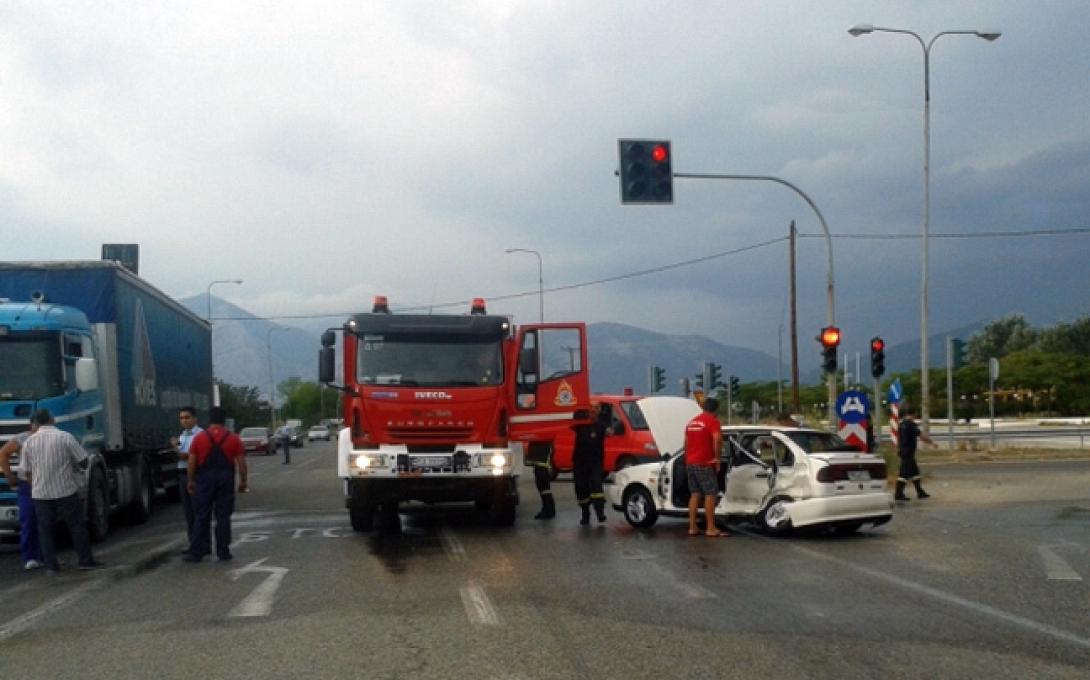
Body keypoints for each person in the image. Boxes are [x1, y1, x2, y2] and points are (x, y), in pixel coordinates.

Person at [21, 409, 101, 573]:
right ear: (52, 420)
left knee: (45, 530)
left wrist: (34, 485)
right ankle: (85, 561)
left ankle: (51, 566)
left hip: (40, 493)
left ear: (36, 423)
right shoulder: (65, 437)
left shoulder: (29, 442)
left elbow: (25, 470)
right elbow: (84, 462)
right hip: (65, 490)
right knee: (77, 526)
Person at [183, 406, 248, 562]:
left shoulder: (199, 438)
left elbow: (192, 462)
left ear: (209, 419)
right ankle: (223, 551)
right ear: (224, 420)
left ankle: (196, 552)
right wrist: (243, 481)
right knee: (223, 516)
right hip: (225, 479)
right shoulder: (234, 438)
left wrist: (191, 480)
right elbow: (241, 463)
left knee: (201, 515)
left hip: (205, 479)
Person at [0, 423, 43, 570]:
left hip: (45, 483)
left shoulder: (48, 437)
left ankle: (45, 556)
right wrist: (9, 476)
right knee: (29, 520)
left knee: (44, 522)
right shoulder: (23, 438)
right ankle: (30, 557)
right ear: (32, 425)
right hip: (28, 484)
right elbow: (4, 452)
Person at [684, 397, 726, 537]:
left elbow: (686, 443)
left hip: (690, 462)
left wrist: (687, 458)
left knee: (695, 493)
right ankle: (710, 528)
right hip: (704, 463)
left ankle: (692, 527)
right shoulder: (712, 421)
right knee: (710, 493)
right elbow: (717, 439)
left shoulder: (691, 422)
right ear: (715, 410)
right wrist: (717, 458)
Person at [570, 402, 611, 525]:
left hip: (595, 463)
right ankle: (585, 514)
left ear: (599, 411)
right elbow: (567, 423)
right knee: (581, 488)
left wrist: (611, 429)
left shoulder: (602, 425)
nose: (593, 410)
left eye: (596, 408)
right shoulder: (579, 425)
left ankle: (600, 513)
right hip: (579, 462)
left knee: (596, 486)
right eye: (591, 407)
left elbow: (610, 431)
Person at [172, 406, 203, 544]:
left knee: (198, 511)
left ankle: (201, 543)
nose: (184, 421)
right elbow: (181, 453)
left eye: (187, 417)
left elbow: (189, 456)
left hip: (195, 475)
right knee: (188, 513)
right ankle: (193, 543)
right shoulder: (183, 435)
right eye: (181, 418)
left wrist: (175, 448)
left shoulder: (200, 435)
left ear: (195, 419)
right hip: (182, 475)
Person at [895, 406, 937, 501]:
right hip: (908, 452)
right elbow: (921, 436)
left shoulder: (901, 424)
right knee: (904, 474)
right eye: (916, 414)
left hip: (903, 451)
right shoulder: (911, 425)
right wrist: (932, 443)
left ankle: (920, 491)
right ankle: (898, 493)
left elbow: (899, 439)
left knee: (915, 472)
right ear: (914, 414)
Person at [525, 443, 555, 520]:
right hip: (540, 460)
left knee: (543, 486)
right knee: (543, 487)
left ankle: (549, 510)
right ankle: (547, 509)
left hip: (542, 461)